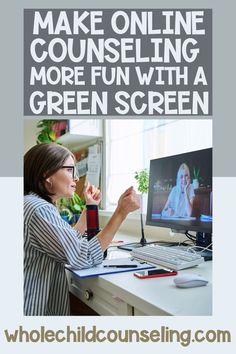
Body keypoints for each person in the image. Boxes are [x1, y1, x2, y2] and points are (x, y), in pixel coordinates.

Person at [24, 143, 140, 316]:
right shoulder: (40, 209)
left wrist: (89, 208)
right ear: (47, 174)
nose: (77, 178)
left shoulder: (30, 203)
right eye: (70, 170)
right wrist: (120, 213)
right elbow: (83, 255)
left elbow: (68, 240)